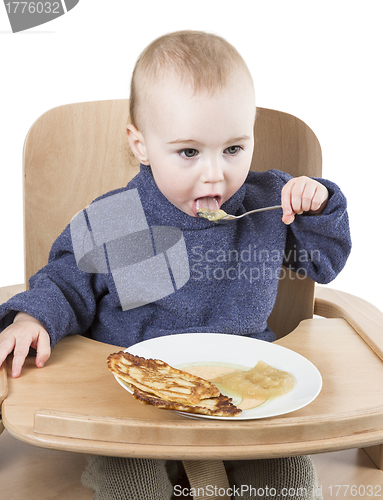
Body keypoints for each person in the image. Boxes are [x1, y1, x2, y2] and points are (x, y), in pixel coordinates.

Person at [0, 30, 350, 499]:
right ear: (141, 145)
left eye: (233, 149)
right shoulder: (120, 219)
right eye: (189, 152)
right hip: (136, 398)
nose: (215, 173)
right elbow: (67, 282)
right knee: (134, 481)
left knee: (285, 478)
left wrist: (319, 209)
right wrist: (32, 316)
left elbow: (322, 263)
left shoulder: (269, 204)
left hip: (246, 388)